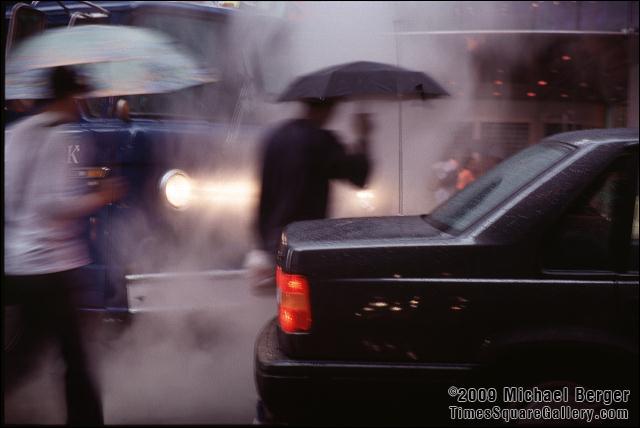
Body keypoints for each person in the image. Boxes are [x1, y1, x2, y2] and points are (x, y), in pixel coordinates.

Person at [4, 66, 127, 425]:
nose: (81, 105)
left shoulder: (16, 133)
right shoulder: (65, 138)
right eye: (80, 98)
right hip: (53, 267)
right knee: (75, 359)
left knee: (25, 353)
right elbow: (54, 205)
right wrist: (102, 196)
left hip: (18, 264)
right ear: (69, 97)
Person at [255, 98, 372, 266]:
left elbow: (264, 194)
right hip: (306, 242)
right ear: (328, 108)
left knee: (282, 291)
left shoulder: (275, 137)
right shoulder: (320, 141)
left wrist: (263, 244)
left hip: (274, 240)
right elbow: (359, 177)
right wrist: (363, 136)